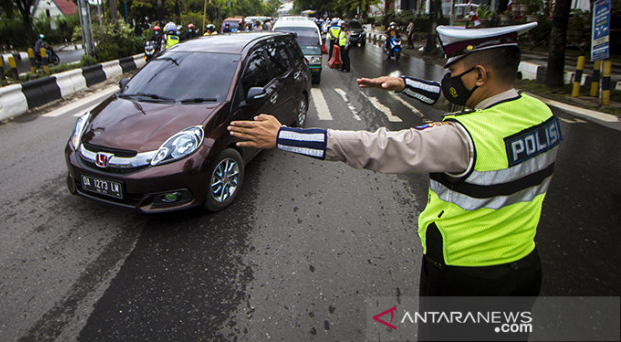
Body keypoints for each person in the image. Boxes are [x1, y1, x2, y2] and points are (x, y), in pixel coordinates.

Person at [228, 23, 560, 338]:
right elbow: (464, 99)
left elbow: (376, 147)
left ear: (479, 75)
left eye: (454, 72)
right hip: (524, 269)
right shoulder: (540, 114)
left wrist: (285, 136)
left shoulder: (462, 139)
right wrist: (405, 85)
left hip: (465, 279)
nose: (449, 80)